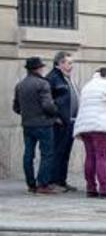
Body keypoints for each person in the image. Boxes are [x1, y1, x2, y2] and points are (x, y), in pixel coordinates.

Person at [73, 67, 106, 199]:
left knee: (90, 157)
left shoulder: (88, 85)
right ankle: (104, 189)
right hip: (101, 126)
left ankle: (91, 188)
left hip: (85, 126)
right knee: (102, 157)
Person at [13, 57, 59, 194]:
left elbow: (16, 108)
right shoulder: (42, 84)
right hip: (44, 124)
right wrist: (55, 112)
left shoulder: (20, 85)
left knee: (28, 154)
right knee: (47, 154)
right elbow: (47, 105)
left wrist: (27, 113)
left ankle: (31, 184)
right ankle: (42, 184)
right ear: (38, 68)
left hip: (27, 124)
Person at [46, 51, 78, 192]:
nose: (71, 66)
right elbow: (46, 101)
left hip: (70, 122)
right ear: (59, 64)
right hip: (59, 123)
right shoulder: (53, 78)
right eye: (69, 63)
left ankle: (62, 180)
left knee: (65, 152)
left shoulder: (66, 78)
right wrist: (55, 117)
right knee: (57, 152)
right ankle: (53, 181)